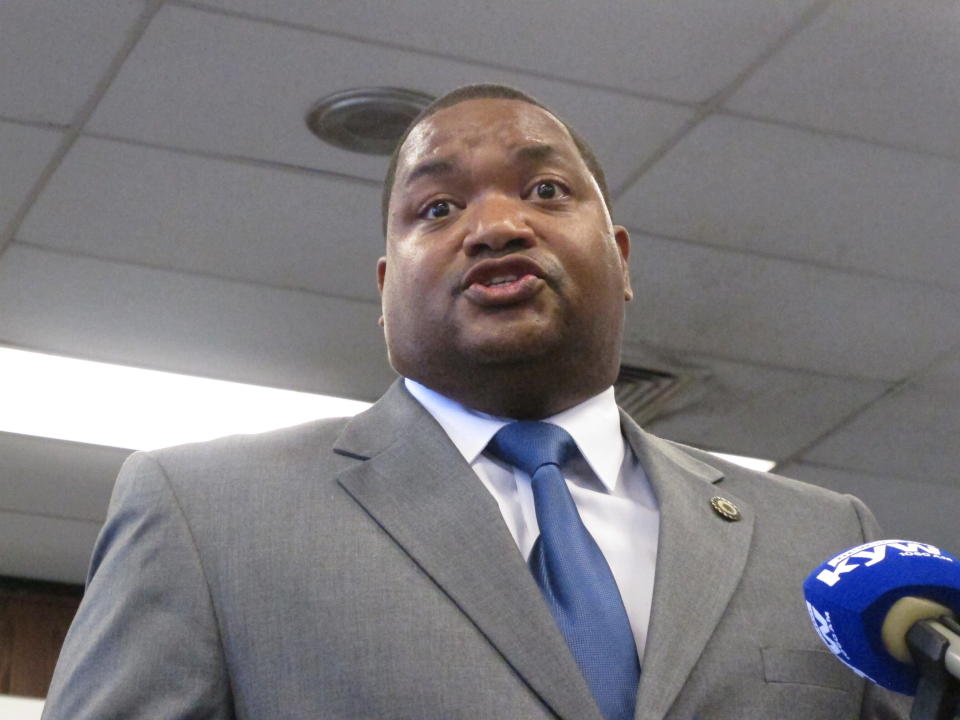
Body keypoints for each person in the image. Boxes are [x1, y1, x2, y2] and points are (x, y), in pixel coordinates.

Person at [42, 84, 910, 720]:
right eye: (438, 206)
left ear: (621, 259)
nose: (495, 226)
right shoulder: (206, 517)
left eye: (544, 191)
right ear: (385, 294)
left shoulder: (827, 545)